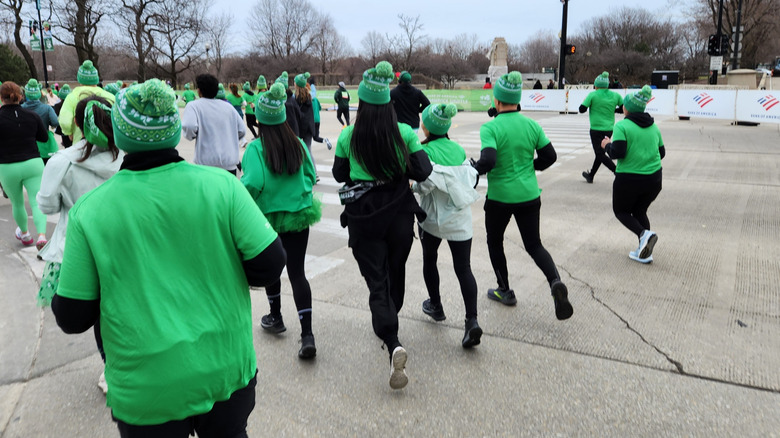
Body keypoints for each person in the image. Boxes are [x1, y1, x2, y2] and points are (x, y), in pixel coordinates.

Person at [51, 79, 286, 436]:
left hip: (146, 387)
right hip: (224, 369)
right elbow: (269, 265)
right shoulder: (222, 187)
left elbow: (72, 316)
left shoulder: (91, 211)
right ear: (174, 130)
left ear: (120, 132)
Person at [332, 61, 432, 390]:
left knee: (377, 280)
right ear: (388, 103)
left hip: (364, 215)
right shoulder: (403, 132)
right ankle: (391, 320)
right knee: (396, 269)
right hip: (399, 212)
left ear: (361, 103)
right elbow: (422, 171)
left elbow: (339, 175)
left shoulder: (348, 134)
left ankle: (391, 339)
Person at [36, 95, 123, 393]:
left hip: (78, 248)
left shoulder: (61, 161)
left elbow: (47, 206)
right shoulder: (126, 157)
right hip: (124, 244)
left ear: (76, 122)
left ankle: (111, 368)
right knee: (119, 308)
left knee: (94, 310)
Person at [471, 71, 573, 321]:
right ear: (518, 100)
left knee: (495, 242)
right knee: (534, 245)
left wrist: (474, 167)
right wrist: (530, 168)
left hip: (500, 198)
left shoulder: (490, 127)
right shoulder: (532, 125)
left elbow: (489, 160)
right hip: (529, 194)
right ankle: (555, 282)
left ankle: (504, 290)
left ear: (496, 101)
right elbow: (550, 157)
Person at [241, 82, 322, 359]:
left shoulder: (255, 149)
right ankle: (307, 335)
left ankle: (276, 316)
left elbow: (252, 183)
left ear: (261, 120)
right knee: (297, 273)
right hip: (299, 215)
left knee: (272, 268)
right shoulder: (298, 143)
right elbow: (311, 177)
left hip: (268, 219)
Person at [411, 103, 482, 348]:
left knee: (429, 259)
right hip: (460, 220)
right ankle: (471, 321)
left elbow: (423, 184)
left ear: (426, 128)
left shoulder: (424, 151)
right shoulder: (458, 149)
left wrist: (411, 188)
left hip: (432, 220)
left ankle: (436, 304)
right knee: (464, 269)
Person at [601, 85, 664, 264]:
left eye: (624, 105)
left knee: (621, 211)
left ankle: (644, 235)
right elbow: (663, 152)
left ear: (627, 108)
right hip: (654, 180)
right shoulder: (653, 127)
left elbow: (617, 153)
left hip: (629, 179)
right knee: (639, 211)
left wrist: (606, 145)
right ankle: (645, 251)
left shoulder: (622, 126)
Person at [0, 81, 49, 249]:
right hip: (33, 163)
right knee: (36, 201)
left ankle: (25, 234)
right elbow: (44, 138)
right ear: (21, 97)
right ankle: (42, 235)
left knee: (18, 203)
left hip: (7, 165)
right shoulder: (32, 116)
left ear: (1, 98)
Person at [181, 74, 246, 175]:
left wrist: (191, 135)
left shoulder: (194, 106)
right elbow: (242, 130)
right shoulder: (228, 107)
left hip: (206, 165)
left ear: (199, 91)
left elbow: (189, 126)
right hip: (229, 164)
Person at [579, 72, 624, 184]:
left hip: (595, 129)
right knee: (600, 152)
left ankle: (617, 171)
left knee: (600, 154)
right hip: (609, 128)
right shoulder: (615, 95)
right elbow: (623, 108)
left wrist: (585, 102)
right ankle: (591, 175)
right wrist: (614, 110)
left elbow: (581, 109)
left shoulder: (592, 95)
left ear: (596, 85)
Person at [59, 60, 116, 143]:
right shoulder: (110, 97)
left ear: (79, 79)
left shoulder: (72, 97)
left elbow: (65, 121)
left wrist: (68, 133)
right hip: (108, 142)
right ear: (96, 78)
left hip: (80, 142)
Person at [21, 79, 59, 165]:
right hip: (45, 144)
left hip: (27, 145)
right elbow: (55, 122)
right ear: (38, 93)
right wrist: (49, 123)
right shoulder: (47, 108)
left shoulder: (21, 108)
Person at [294, 72, 317, 180]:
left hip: (301, 128)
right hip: (309, 128)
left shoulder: (297, 98)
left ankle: (306, 173)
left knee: (301, 151)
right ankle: (315, 172)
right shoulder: (309, 96)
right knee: (308, 150)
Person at [275, 72, 301, 137]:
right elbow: (299, 115)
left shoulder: (281, 103)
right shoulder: (292, 99)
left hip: (286, 134)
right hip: (294, 132)